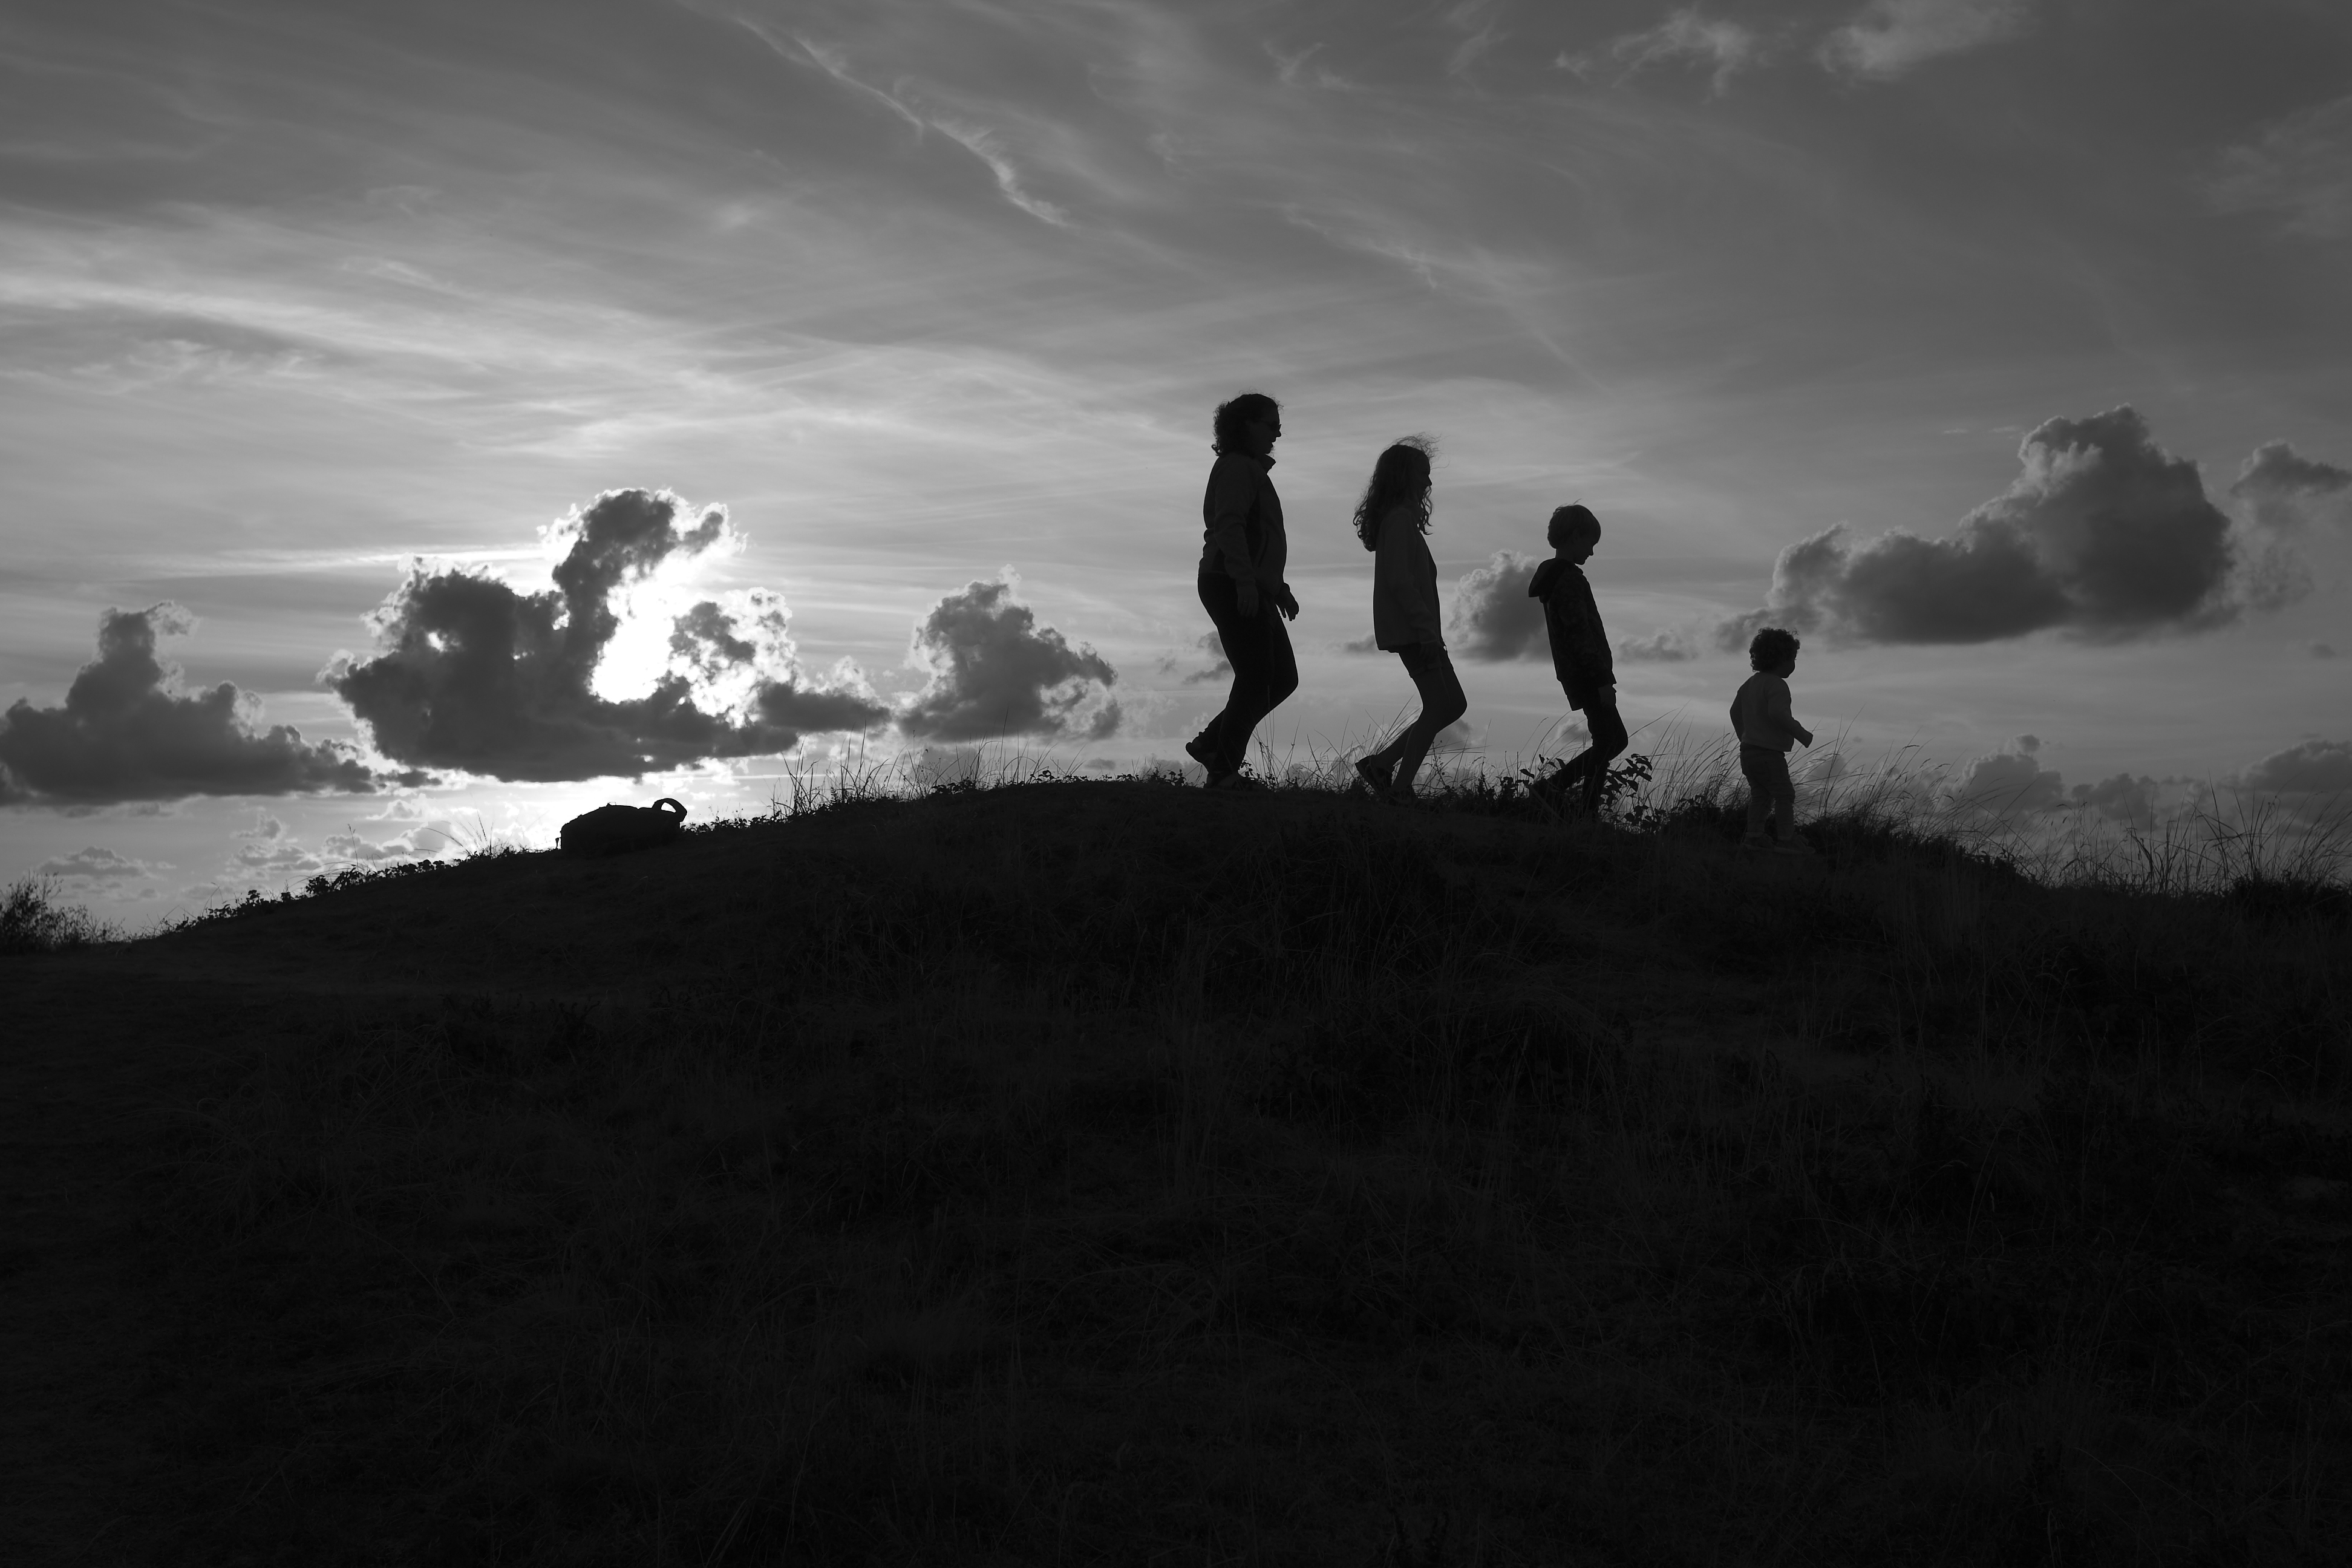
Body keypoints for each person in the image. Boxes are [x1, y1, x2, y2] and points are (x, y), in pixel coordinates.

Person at [1187, 392, 1299, 788]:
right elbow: (1230, 526)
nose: (1278, 433)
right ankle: (1223, 770)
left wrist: (1277, 588)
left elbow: (1260, 539)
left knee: (1281, 677)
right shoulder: (1236, 467)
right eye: (1270, 424)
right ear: (1245, 426)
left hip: (1247, 584)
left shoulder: (1251, 470)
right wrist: (1245, 583)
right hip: (1229, 581)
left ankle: (1211, 745)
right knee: (1257, 676)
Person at [1351, 438, 1467, 803]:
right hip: (1414, 633)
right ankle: (1399, 787)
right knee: (1440, 706)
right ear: (1404, 477)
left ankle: (1382, 765)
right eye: (1423, 475)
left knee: (1452, 705)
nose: (1428, 484)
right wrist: (1425, 633)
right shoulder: (1400, 522)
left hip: (1420, 631)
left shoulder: (1401, 521)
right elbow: (1400, 582)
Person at [1526, 505, 1626, 816]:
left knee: (1608, 740)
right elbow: (1580, 634)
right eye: (1590, 543)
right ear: (1575, 537)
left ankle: (1585, 813)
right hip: (1586, 672)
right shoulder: (1568, 579)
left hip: (1578, 671)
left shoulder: (1557, 578)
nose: (1593, 553)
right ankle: (1556, 790)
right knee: (1612, 740)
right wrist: (1602, 680)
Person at [1730, 626, 1815, 852]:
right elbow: (1778, 714)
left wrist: (1744, 737)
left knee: (1761, 794)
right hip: (1768, 753)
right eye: (1793, 659)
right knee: (1784, 794)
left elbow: (1734, 713)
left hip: (1748, 752)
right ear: (1783, 659)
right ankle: (1787, 839)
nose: (1794, 664)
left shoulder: (1749, 684)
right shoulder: (1777, 685)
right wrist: (1802, 734)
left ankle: (1754, 836)